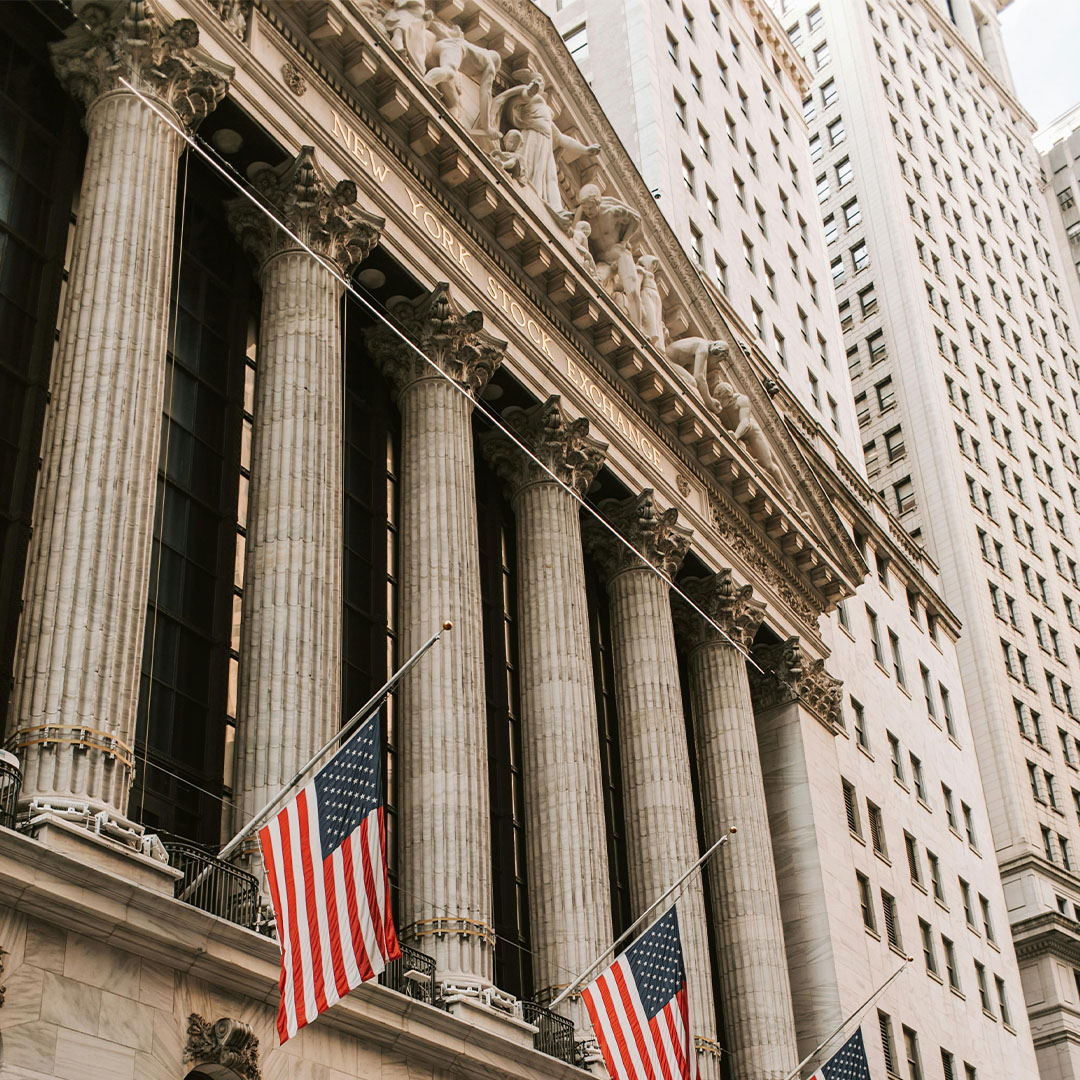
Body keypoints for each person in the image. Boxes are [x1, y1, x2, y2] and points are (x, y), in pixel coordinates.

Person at [491, 73, 600, 211]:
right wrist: (529, 92)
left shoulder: (546, 112)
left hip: (545, 144)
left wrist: (585, 150)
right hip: (531, 138)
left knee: (551, 178)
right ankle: (529, 194)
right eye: (536, 81)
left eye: (541, 82)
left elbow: (561, 138)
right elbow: (515, 101)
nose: (539, 84)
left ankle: (556, 208)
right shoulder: (529, 99)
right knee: (529, 168)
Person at [572, 183, 643, 326]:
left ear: (598, 201)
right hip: (601, 260)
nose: (588, 211)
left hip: (618, 253)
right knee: (595, 283)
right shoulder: (582, 214)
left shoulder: (611, 210)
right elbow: (573, 233)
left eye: (591, 207)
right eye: (585, 207)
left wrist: (624, 241)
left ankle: (638, 329)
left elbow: (636, 220)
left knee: (633, 290)